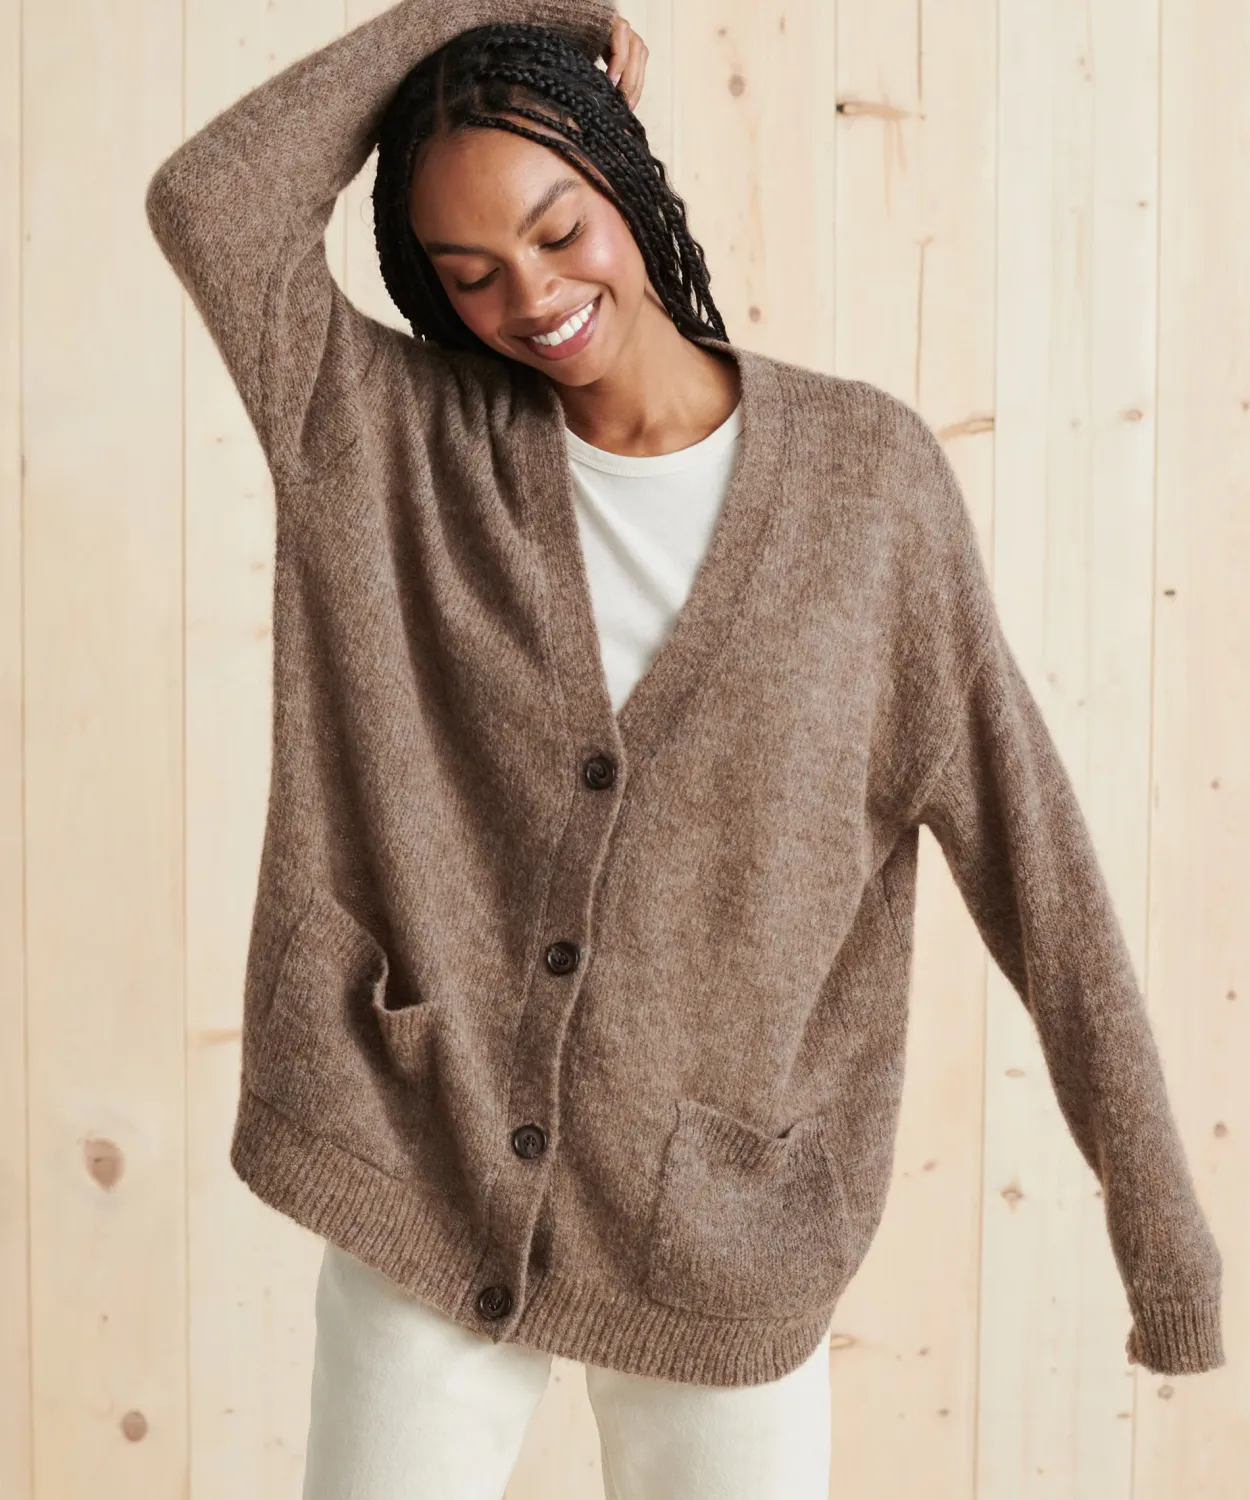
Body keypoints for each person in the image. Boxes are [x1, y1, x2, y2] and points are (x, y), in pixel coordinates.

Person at [143, 3, 1223, 1498]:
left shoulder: (866, 489)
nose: (532, 294)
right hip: (424, 1167)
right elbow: (210, 201)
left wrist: (1161, 1234)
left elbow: (1033, 858)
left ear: (624, 172)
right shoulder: (387, 438)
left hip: (716, 1221)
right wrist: (486, 10)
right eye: (469, 273)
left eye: (557, 227)